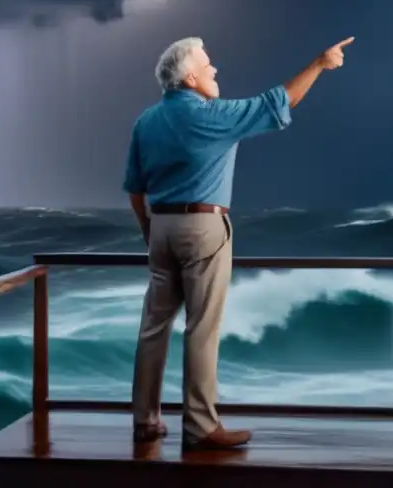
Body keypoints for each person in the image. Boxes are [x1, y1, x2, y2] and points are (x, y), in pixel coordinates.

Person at [122, 35, 354, 450]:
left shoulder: (145, 122)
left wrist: (150, 233)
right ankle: (200, 427)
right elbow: (278, 103)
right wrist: (319, 63)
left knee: (153, 327)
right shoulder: (212, 115)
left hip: (159, 230)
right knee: (202, 328)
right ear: (190, 77)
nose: (215, 70)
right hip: (203, 230)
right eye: (208, 65)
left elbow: (135, 190)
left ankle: (145, 421)